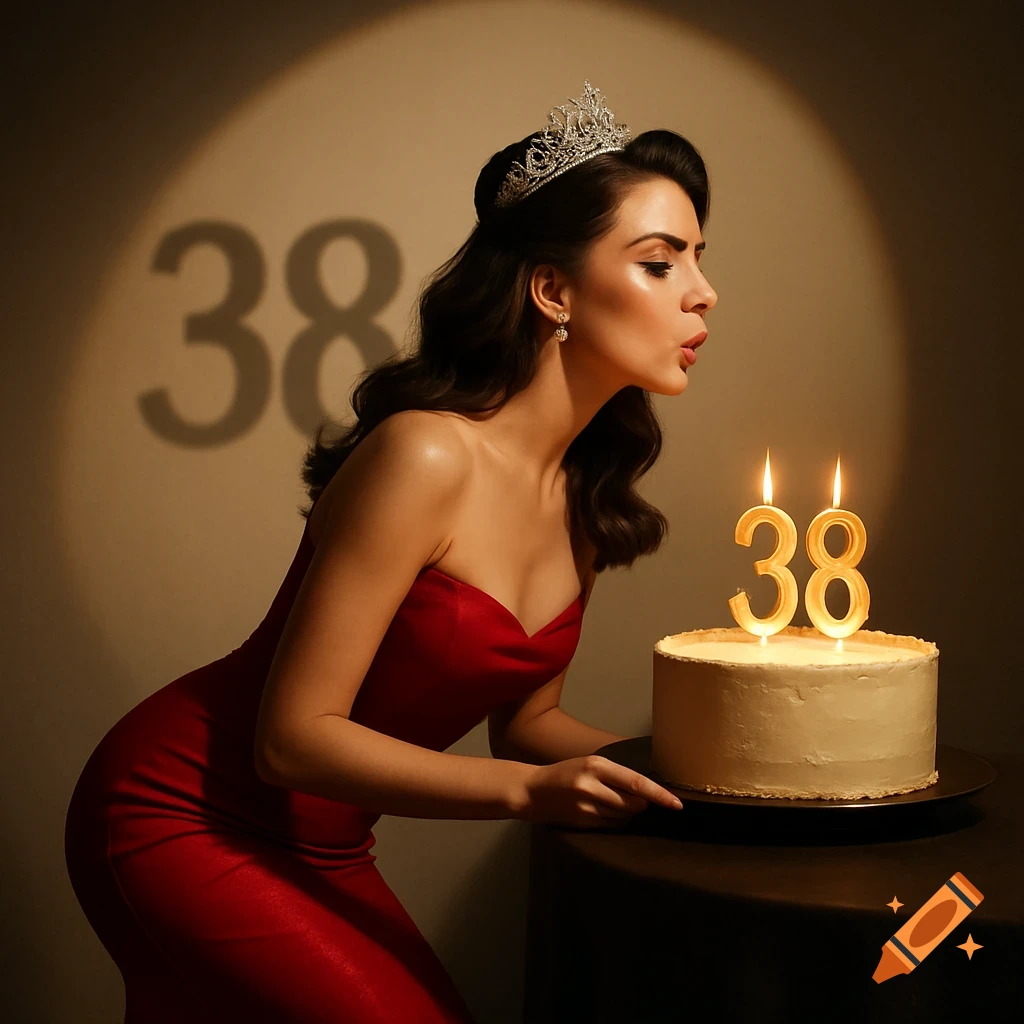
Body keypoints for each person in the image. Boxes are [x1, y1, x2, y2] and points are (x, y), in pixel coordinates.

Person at [63, 80, 718, 1023]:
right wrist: (530, 793)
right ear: (553, 291)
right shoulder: (425, 451)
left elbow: (528, 722)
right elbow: (292, 739)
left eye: (699, 258)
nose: (704, 291)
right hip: (181, 812)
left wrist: (706, 772)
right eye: (661, 263)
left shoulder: (580, 495)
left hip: (325, 844)